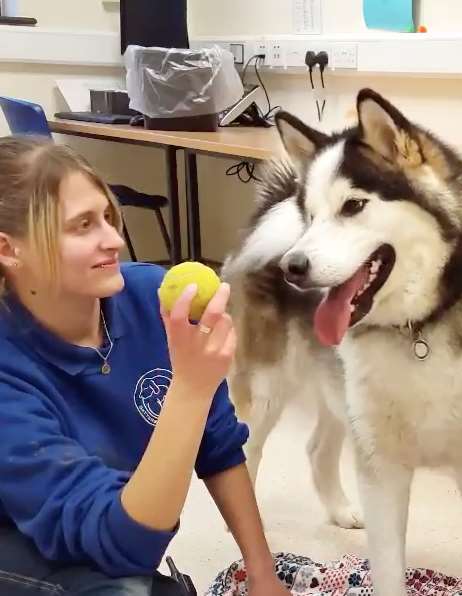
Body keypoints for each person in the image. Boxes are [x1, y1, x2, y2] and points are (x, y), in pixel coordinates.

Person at [0, 136, 290, 596]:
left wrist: (262, 574)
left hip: (111, 523)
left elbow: (219, 448)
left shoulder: (150, 298)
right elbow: (128, 546)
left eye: (108, 217)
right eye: (82, 226)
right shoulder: (8, 369)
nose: (114, 240)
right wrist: (189, 391)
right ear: (8, 249)